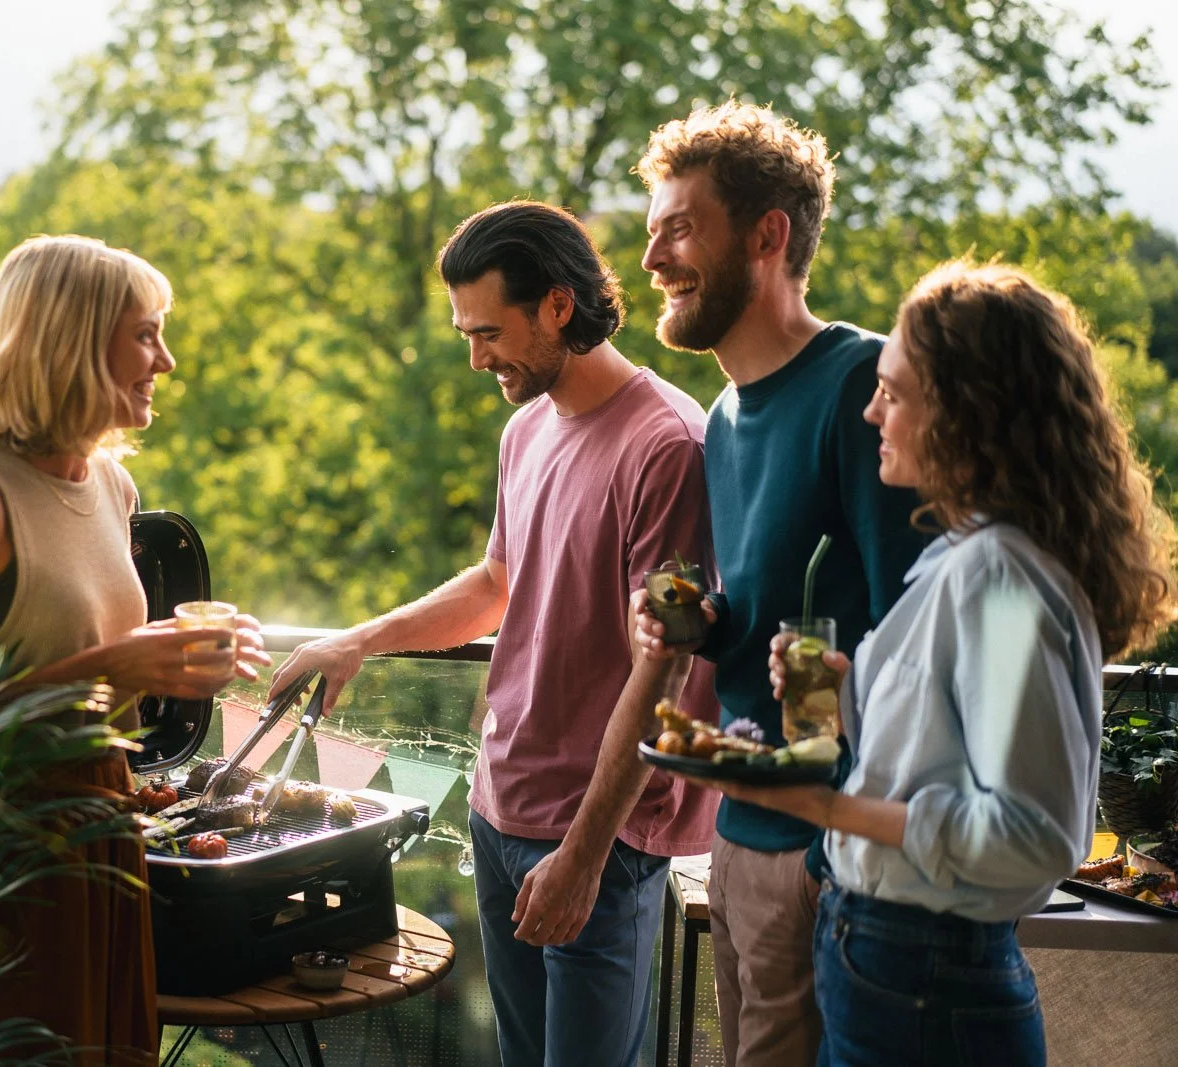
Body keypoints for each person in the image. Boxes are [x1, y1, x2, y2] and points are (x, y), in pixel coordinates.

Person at [693, 262, 1178, 1065]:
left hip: (926, 979)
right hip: (890, 963)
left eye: (895, 390)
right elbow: (939, 743)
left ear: (969, 411)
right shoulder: (966, 558)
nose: (872, 408)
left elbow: (1035, 835)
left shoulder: (1001, 581)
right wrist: (848, 688)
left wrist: (820, 803)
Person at [271, 201, 720, 1066]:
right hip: (499, 809)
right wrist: (358, 640)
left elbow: (660, 673)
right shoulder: (526, 431)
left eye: (489, 332)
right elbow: (495, 585)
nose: (477, 358)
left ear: (559, 304)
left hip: (600, 837)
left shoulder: (668, 446)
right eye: (464, 335)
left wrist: (587, 856)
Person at [0, 234, 271, 1066]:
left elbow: (90, 655)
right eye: (145, 334)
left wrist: (168, 662)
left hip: (105, 829)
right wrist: (112, 668)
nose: (165, 359)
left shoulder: (111, 485)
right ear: (69, 340)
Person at [631, 102, 929, 1067]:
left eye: (679, 228)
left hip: (832, 845)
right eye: (652, 231)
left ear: (769, 236)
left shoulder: (863, 386)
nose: (653, 259)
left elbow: (913, 633)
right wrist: (700, 625)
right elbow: (769, 617)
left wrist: (830, 850)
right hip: (742, 828)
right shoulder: (722, 416)